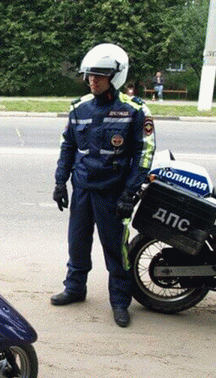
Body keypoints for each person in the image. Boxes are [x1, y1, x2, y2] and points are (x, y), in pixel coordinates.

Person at [51, 43, 156, 328]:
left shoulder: (134, 110)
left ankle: (120, 301)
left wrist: (130, 193)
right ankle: (75, 288)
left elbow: (143, 154)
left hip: (113, 192)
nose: (92, 80)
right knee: (77, 243)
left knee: (115, 249)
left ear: (115, 76)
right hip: (83, 188)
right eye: (89, 75)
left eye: (99, 75)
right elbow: (68, 147)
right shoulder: (79, 108)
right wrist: (60, 182)